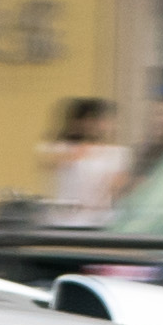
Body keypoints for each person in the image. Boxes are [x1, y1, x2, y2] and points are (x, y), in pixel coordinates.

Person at [36, 97, 130, 228]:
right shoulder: (59, 148)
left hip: (100, 220)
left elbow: (117, 186)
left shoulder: (117, 152)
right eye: (91, 120)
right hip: (62, 220)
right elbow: (49, 165)